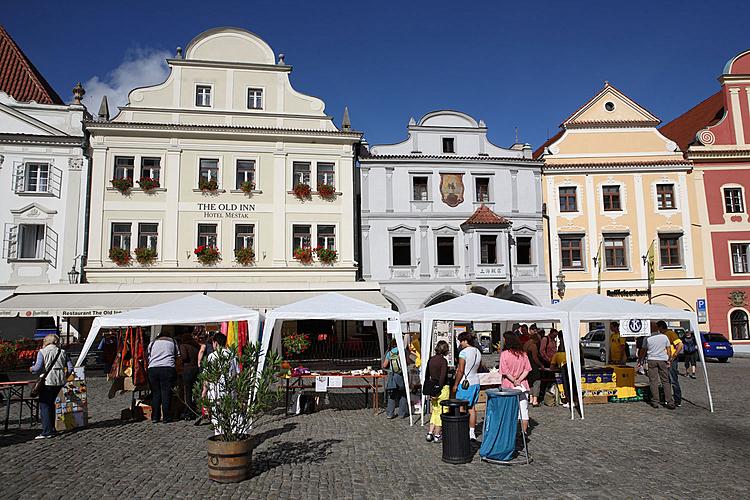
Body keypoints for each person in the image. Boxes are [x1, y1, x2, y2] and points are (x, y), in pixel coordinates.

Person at [30, 334, 73, 439]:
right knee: (52, 404)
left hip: (47, 381)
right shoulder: (62, 352)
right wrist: (65, 376)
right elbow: (70, 368)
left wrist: (31, 369)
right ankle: (52, 428)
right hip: (59, 381)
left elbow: (38, 368)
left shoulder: (43, 352)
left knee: (45, 405)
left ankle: (47, 431)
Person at [499, 332, 531, 433]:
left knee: (508, 410)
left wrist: (514, 380)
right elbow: (527, 369)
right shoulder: (523, 354)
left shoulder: (504, 354)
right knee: (523, 410)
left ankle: (509, 432)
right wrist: (519, 380)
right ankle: (524, 432)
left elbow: (505, 371)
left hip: (508, 385)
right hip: (523, 385)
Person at [452, 331, 481, 441]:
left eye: (461, 341)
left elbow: (461, 370)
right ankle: (472, 431)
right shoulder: (477, 351)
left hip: (465, 383)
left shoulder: (463, 353)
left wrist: (455, 384)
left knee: (462, 407)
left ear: (465, 341)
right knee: (472, 408)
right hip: (475, 381)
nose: (460, 344)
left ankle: (462, 429)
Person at [638, 328, 676, 410]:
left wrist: (640, 360)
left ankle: (655, 401)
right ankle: (669, 401)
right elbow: (668, 349)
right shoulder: (664, 337)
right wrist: (669, 359)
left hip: (652, 359)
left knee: (653, 381)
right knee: (665, 381)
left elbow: (643, 350)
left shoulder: (647, 338)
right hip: (662, 359)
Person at [147, 331, 180, 423]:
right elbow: (177, 355)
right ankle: (166, 417)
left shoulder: (152, 343)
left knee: (155, 394)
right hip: (167, 367)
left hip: (153, 369)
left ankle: (155, 417)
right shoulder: (172, 341)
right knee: (166, 393)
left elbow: (148, 355)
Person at [425, 340, 450, 443]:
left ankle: (430, 433)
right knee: (442, 411)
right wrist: (438, 390)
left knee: (435, 411)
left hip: (432, 387)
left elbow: (427, 375)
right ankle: (437, 434)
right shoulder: (443, 361)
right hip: (441, 389)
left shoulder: (431, 359)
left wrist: (431, 390)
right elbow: (442, 377)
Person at [657, 321, 684, 406]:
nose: (657, 329)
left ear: (661, 327)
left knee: (673, 380)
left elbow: (680, 344)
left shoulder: (670, 333)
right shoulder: (662, 335)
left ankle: (677, 399)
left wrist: (674, 355)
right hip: (664, 359)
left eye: (658, 327)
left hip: (671, 360)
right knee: (666, 380)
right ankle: (667, 398)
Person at [550, 338, 579, 408]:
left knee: (567, 386)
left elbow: (552, 367)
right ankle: (576, 401)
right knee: (573, 385)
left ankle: (569, 402)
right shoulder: (570, 353)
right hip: (573, 368)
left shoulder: (556, 355)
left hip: (564, 369)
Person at [382, 339, 407, 419]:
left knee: (392, 395)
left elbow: (384, 365)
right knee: (403, 394)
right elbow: (408, 361)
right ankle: (401, 414)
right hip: (401, 375)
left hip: (392, 376)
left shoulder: (390, 353)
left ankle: (390, 413)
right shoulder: (403, 351)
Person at [179, 333, 200, 419]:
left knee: (187, 392)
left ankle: (188, 411)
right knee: (195, 391)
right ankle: (195, 409)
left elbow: (184, 357)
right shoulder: (196, 345)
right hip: (196, 369)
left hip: (187, 370)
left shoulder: (184, 346)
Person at [524, 329, 543, 407]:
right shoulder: (533, 346)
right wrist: (541, 365)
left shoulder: (526, 344)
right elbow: (535, 358)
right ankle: (535, 400)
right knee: (537, 382)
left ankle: (531, 398)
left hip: (527, 365)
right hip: (533, 366)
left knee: (530, 382)